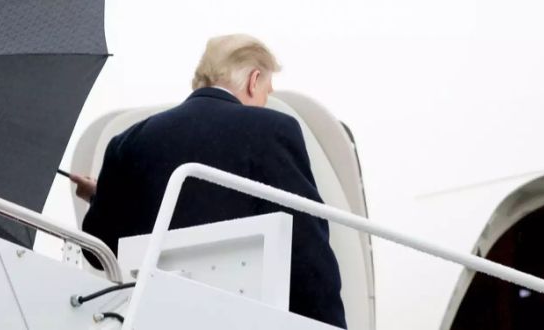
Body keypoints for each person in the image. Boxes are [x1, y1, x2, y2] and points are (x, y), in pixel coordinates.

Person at [71, 34, 347, 328]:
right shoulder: (272, 130)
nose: (265, 101)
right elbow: (307, 251)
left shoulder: (127, 142)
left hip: (154, 317)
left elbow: (98, 250)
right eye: (267, 91)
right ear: (254, 81)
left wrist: (102, 198)